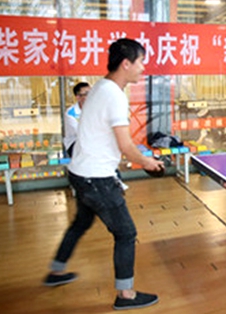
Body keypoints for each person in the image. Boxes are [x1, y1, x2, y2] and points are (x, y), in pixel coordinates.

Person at [43, 39, 165, 310]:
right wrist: (149, 162)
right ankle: (126, 295)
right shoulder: (114, 95)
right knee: (126, 233)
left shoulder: (100, 87)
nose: (143, 68)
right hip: (96, 179)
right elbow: (126, 146)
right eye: (140, 62)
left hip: (80, 173)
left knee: (80, 223)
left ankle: (56, 270)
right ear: (126, 64)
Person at [63, 82, 90, 157]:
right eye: (87, 94)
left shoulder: (96, 109)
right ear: (78, 97)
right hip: (75, 142)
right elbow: (80, 133)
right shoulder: (71, 113)